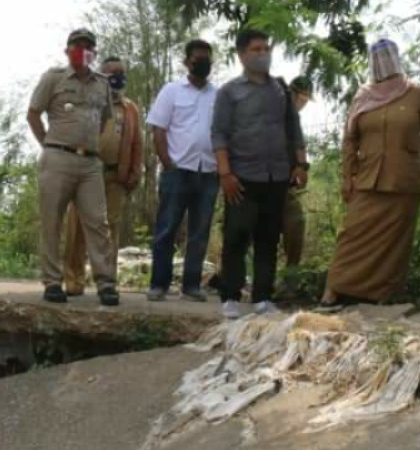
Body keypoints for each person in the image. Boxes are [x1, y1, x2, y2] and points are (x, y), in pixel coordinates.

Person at [320, 40, 420, 307]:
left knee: (394, 244)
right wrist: (347, 176)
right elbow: (350, 139)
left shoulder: (416, 93)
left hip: (404, 181)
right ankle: (335, 288)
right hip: (367, 178)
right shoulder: (363, 95)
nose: (383, 61)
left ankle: (381, 294)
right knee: (351, 234)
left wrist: (416, 155)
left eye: (387, 56)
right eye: (377, 56)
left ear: (397, 58)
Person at [212, 28, 308, 319]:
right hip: (241, 177)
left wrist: (301, 165)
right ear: (242, 55)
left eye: (266, 48)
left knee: (268, 237)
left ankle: (262, 297)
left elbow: (294, 130)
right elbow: (219, 134)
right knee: (237, 236)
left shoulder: (280, 90)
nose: (262, 54)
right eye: (256, 49)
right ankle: (230, 295)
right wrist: (225, 174)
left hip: (276, 175)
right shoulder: (230, 92)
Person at [26, 29, 119, 306]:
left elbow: (104, 120)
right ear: (67, 50)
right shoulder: (53, 78)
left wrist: (88, 144)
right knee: (52, 221)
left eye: (89, 46)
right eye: (77, 45)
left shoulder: (102, 83)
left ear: (95, 53)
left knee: (98, 222)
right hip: (57, 158)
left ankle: (106, 284)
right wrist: (49, 144)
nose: (83, 50)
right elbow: (33, 114)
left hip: (90, 162)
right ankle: (53, 282)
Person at [146, 40, 220, 302]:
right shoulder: (172, 91)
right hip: (177, 171)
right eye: (198, 58)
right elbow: (158, 129)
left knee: (200, 232)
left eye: (207, 59)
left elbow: (224, 133)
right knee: (166, 229)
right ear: (187, 61)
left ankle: (191, 285)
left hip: (209, 173)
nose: (203, 63)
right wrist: (167, 163)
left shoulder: (218, 95)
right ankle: (159, 285)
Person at [63, 55, 143, 296]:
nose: (118, 77)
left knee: (111, 230)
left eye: (121, 72)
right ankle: (73, 280)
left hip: (114, 176)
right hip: (85, 172)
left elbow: (137, 143)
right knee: (77, 228)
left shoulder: (130, 109)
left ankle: (107, 282)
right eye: (112, 73)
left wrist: (134, 172)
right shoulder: (87, 102)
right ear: (101, 77)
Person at [280, 75, 315, 274]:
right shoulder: (274, 112)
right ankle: (227, 276)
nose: (303, 104)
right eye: (302, 99)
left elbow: (298, 145)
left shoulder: (295, 118)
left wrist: (302, 166)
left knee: (296, 223)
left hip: (286, 185)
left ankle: (290, 278)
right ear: (291, 94)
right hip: (261, 182)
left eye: (306, 101)